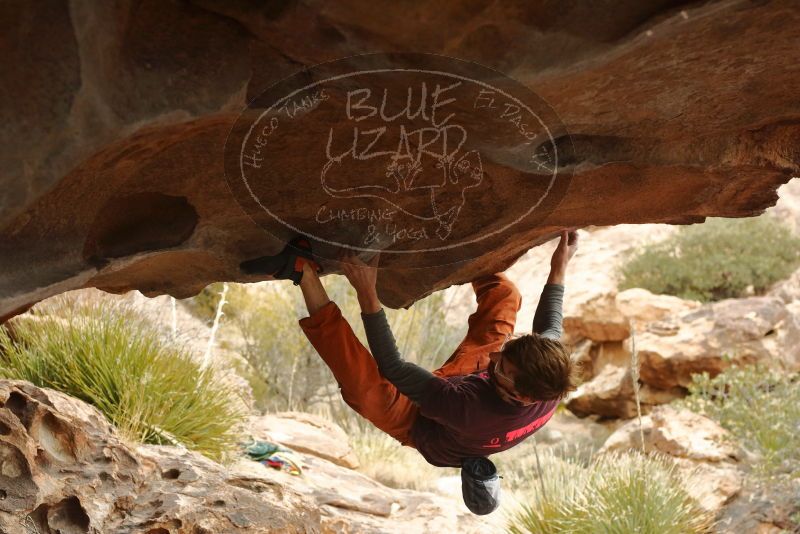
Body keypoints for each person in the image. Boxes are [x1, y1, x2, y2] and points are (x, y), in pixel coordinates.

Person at [240, 230, 580, 514]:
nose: (492, 357)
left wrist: (367, 293)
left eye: (501, 366)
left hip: (420, 422)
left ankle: (302, 271)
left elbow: (394, 368)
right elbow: (549, 323)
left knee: (365, 389)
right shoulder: (550, 374)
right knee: (505, 296)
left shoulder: (467, 409)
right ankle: (451, 249)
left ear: (521, 394)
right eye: (502, 354)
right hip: (470, 390)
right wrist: (560, 265)